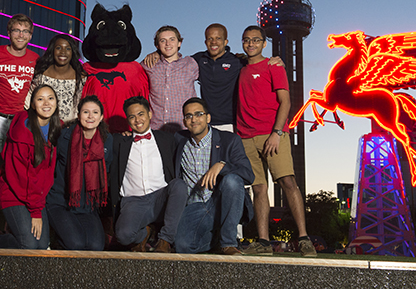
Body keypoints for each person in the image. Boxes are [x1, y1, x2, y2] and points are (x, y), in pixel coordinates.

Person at [236, 25, 316, 257]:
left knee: (288, 182)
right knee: (258, 189)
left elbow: (286, 102)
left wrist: (277, 133)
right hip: (245, 137)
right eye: (246, 40)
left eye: (255, 40)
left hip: (272, 134)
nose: (251, 44)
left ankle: (303, 238)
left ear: (264, 43)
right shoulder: (240, 66)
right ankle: (263, 242)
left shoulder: (273, 66)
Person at [0, 84, 61, 249]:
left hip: (36, 197)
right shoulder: (21, 131)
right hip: (14, 193)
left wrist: (37, 206)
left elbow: (46, 174)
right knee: (29, 245)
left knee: (43, 247)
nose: (46, 103)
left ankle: (10, 233)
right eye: (40, 99)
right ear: (32, 104)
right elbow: (18, 177)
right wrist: (36, 212)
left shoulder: (57, 129)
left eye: (50, 98)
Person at [143, 23, 282, 133]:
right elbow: (169, 53)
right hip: (206, 124)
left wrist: (276, 61)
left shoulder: (237, 61)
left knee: (230, 165)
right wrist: (155, 53)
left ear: (226, 41)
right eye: (210, 38)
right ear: (205, 41)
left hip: (233, 123)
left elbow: (257, 64)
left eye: (218, 38)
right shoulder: (197, 60)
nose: (214, 42)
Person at [0, 14, 38, 233]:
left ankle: (4, 231)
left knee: (12, 181)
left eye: (25, 31)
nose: (20, 35)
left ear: (31, 35)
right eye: (16, 30)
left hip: (22, 123)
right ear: (8, 32)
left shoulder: (35, 59)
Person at [174, 97, 254, 255]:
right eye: (188, 116)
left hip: (220, 201)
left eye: (198, 114)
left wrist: (222, 165)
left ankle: (228, 243)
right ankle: (216, 240)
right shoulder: (179, 140)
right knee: (182, 246)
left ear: (208, 117)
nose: (193, 119)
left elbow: (248, 175)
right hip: (194, 206)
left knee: (232, 180)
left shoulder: (229, 140)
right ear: (184, 121)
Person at [111, 96, 187, 253]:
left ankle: (165, 240)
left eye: (141, 114)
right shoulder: (119, 142)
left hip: (160, 197)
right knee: (123, 236)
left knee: (179, 185)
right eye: (132, 116)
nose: (137, 120)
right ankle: (144, 234)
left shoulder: (167, 139)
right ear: (127, 120)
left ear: (150, 114)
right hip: (134, 201)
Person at [45, 95, 112, 250]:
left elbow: (106, 170)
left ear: (101, 117)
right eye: (85, 112)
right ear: (78, 115)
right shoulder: (63, 137)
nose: (90, 116)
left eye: (95, 112)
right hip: (61, 202)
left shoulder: (107, 140)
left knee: (95, 247)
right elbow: (49, 168)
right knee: (76, 244)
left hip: (87, 206)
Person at [141, 26, 198, 133]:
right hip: (156, 129)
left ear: (179, 43)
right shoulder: (148, 65)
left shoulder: (191, 63)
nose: (168, 44)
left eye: (172, 39)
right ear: (157, 45)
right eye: (163, 41)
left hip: (184, 128)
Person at [25, 34, 86, 122]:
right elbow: (29, 102)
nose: (63, 52)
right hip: (43, 125)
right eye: (58, 48)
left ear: (73, 52)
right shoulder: (41, 75)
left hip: (69, 128)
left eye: (68, 48)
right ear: (52, 50)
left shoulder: (81, 77)